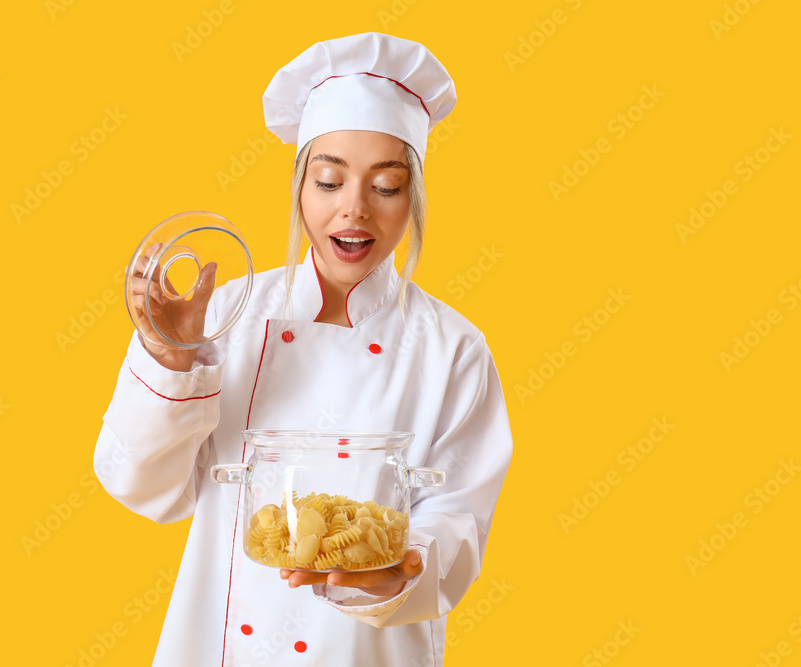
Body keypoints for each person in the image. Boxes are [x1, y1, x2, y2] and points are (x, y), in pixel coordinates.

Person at [93, 32, 514, 666]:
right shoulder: (231, 315)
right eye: (328, 180)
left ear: (414, 199)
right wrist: (171, 357)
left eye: (387, 186)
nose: (354, 211)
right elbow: (143, 487)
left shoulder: (453, 349)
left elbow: (458, 523)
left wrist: (396, 571)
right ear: (298, 187)